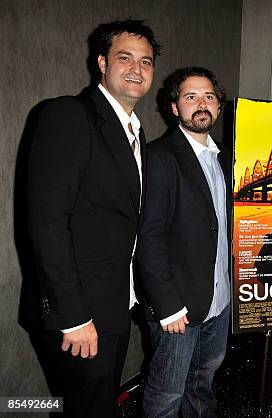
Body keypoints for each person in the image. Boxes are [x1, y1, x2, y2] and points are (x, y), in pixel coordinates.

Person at [26, 20, 160, 417]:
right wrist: (74, 317)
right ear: (101, 63)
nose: (137, 68)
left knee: (94, 405)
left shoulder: (136, 133)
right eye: (124, 57)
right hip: (81, 312)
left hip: (115, 304)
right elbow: (48, 223)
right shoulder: (69, 115)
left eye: (146, 61)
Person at [136, 67, 231, 416]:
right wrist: (168, 306)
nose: (201, 104)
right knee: (166, 394)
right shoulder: (160, 156)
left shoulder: (224, 159)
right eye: (191, 97)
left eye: (208, 96)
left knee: (201, 386)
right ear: (174, 108)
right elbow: (149, 236)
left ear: (218, 107)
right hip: (178, 308)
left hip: (218, 302)